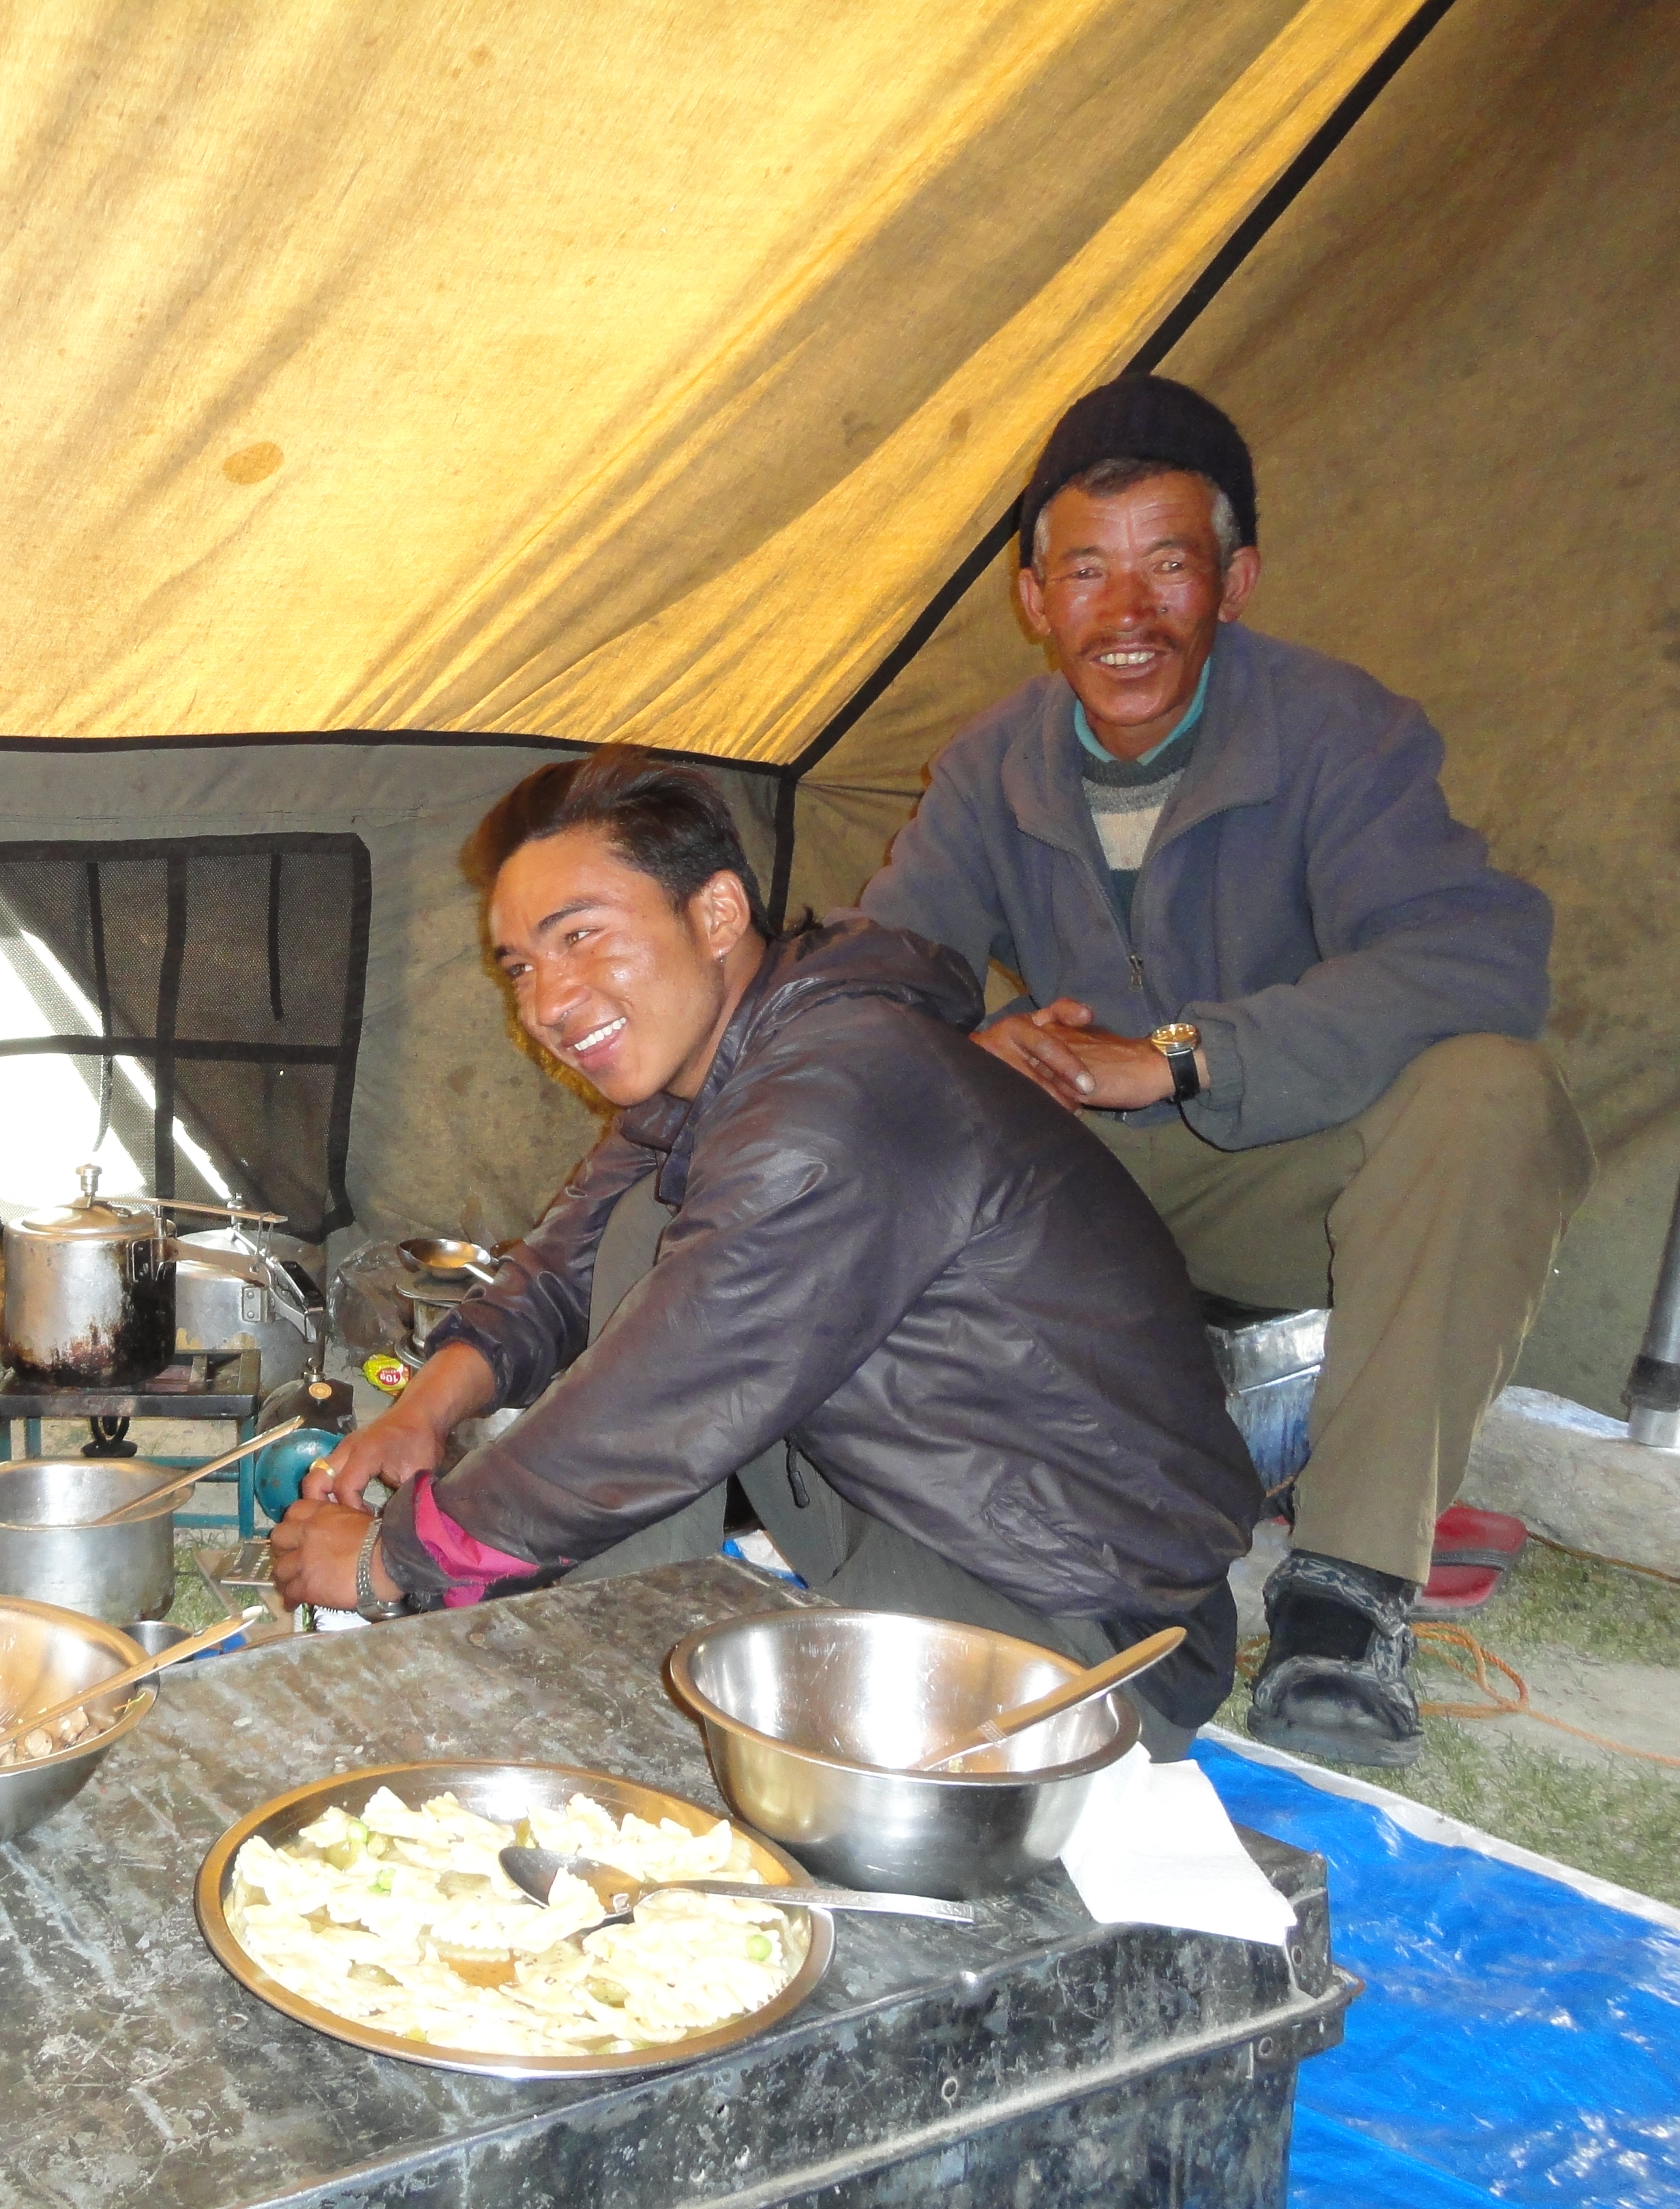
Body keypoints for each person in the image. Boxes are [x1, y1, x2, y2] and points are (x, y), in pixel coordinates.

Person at [856, 375, 1593, 1767]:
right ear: (1034, 599)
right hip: (1080, 1185)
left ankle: (1348, 1595)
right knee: (870, 1098)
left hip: (1283, 1176)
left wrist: (1187, 1057)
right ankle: (884, 1494)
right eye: (1087, 570)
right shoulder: (989, 767)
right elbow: (880, 971)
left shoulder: (1340, 731)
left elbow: (1473, 956)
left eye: (1169, 566)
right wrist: (967, 1042)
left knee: (1496, 1096)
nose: (1126, 613)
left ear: (1235, 583)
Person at [270, 747, 1261, 1757]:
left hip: (1088, 1642)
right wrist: (426, 1408)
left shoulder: (838, 1094)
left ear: (715, 915)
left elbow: (664, 1394)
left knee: (666, 1363)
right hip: (935, 1522)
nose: (546, 1005)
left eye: (582, 936)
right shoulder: (750, 1055)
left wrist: (396, 1560)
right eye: (520, 965)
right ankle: (613, 1637)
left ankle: (606, 1666)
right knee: (642, 1222)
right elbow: (567, 1258)